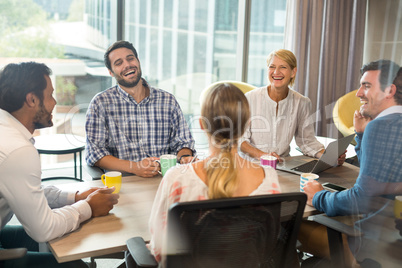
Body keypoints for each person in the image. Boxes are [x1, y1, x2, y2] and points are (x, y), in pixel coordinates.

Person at [0, 62, 120, 267]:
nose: (54, 102)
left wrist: (74, 197)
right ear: (32, 99)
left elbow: (26, 190)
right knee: (76, 264)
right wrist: (88, 206)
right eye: (50, 95)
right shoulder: (17, 149)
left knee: (64, 238)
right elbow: (43, 229)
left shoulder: (7, 130)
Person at [146, 83, 281, 263]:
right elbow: (266, 245)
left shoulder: (177, 178)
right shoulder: (269, 177)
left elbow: (160, 249)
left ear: (202, 124)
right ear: (247, 124)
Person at [302, 60, 402, 266]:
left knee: (290, 227)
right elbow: (374, 176)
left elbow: (361, 199)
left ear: (389, 90)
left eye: (366, 85)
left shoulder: (381, 126)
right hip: (392, 235)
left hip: (376, 242)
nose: (358, 93)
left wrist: (319, 196)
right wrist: (362, 134)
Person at [85, 40, 196, 178]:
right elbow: (95, 154)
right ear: (111, 72)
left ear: (138, 61)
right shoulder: (100, 103)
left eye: (130, 58)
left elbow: (183, 143)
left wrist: (184, 157)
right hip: (123, 184)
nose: (127, 65)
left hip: (164, 181)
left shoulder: (168, 100)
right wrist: (135, 167)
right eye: (118, 63)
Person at [240, 49, 346, 165]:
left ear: (293, 72)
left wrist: (329, 157)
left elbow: (306, 141)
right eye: (272, 66)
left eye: (283, 67)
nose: (276, 72)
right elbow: (240, 140)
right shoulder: (249, 99)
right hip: (251, 164)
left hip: (282, 165)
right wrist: (263, 156)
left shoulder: (302, 102)